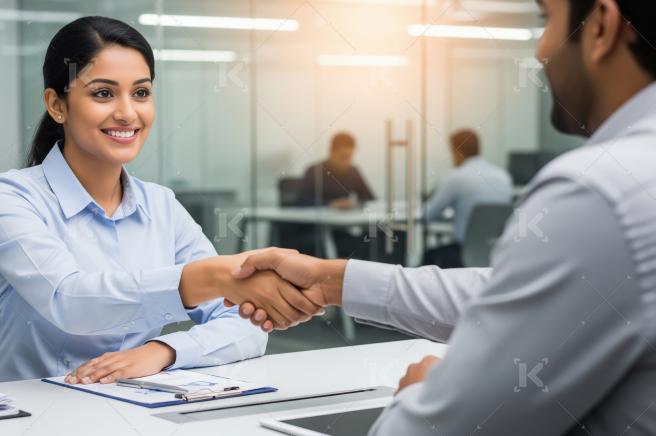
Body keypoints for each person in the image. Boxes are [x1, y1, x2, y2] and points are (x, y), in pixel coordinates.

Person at [228, 0, 656, 433]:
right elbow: (513, 294)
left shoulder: (600, 193)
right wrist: (331, 279)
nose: (540, 51)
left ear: (601, 25)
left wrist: (417, 392)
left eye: (546, 20)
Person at [0, 17, 319, 385]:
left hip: (132, 409)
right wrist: (212, 277)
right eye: (103, 93)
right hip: (26, 414)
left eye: (140, 93)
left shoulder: (161, 205)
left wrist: (162, 352)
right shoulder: (9, 197)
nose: (127, 112)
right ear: (57, 105)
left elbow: (243, 324)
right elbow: (69, 300)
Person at [422, 129, 512, 267]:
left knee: (428, 258)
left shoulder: (456, 177)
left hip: (463, 253)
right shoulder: (503, 176)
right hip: (497, 253)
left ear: (456, 151)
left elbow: (427, 215)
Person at [296, 132, 374, 209]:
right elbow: (301, 200)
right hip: (319, 219)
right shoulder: (314, 171)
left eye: (349, 156)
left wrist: (354, 203)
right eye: (343, 156)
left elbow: (370, 199)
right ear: (331, 152)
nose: (346, 161)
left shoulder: (353, 171)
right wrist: (330, 204)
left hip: (345, 219)